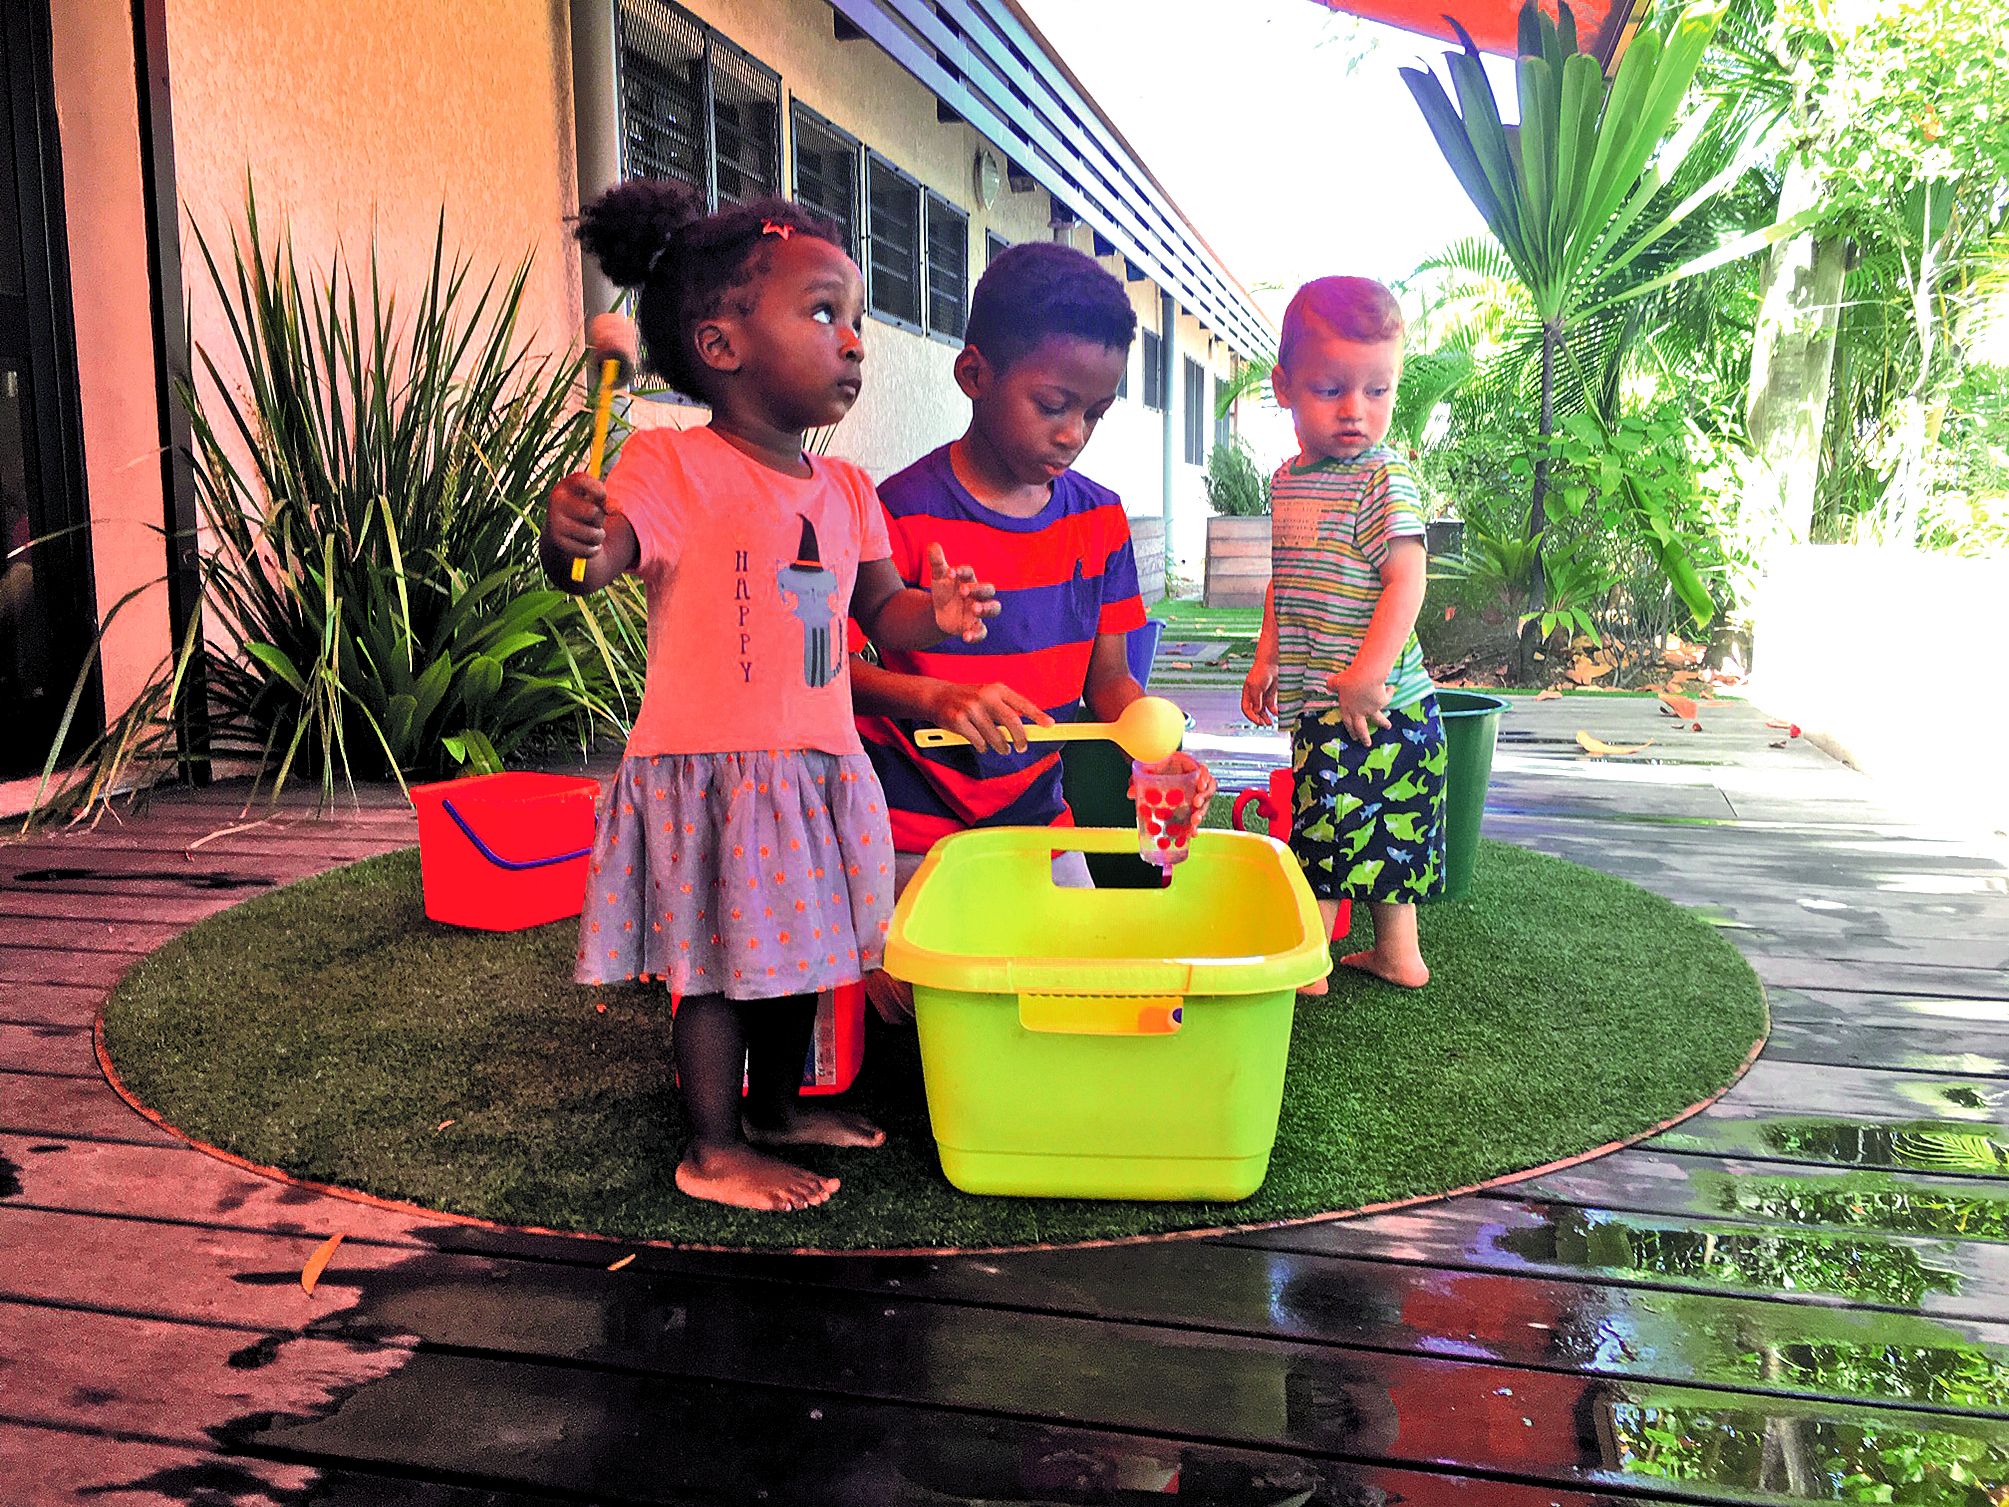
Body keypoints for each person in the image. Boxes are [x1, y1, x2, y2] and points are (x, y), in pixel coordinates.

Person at [541, 180, 999, 1212]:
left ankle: (779, 1109)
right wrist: (567, 537)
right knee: (713, 967)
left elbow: (884, 612)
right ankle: (711, 1146)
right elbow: (593, 564)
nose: (853, 342)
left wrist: (945, 611)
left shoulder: (845, 491)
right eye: (822, 313)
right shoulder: (667, 463)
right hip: (712, 768)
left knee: (799, 955)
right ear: (720, 345)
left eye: (857, 319)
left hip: (815, 766)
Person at [850, 242, 1213, 1022]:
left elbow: (1109, 681)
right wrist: (938, 696)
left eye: (1094, 412)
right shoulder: (896, 511)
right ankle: (873, 972)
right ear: (974, 375)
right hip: (909, 830)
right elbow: (835, 671)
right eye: (1053, 405)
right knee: (946, 1007)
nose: (1074, 432)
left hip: (1036, 825)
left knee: (1083, 999)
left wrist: (1156, 746)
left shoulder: (1100, 519)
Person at [1241, 276, 1444, 990]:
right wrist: (1266, 656)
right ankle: (1396, 955)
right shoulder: (1288, 480)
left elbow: (1407, 580)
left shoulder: (1382, 479)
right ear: (1285, 386)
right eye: (1330, 389)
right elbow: (1284, 574)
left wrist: (1366, 674)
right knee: (1353, 822)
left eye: (1377, 390)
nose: (1356, 411)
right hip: (1322, 697)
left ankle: (1309, 962)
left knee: (1329, 826)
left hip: (1379, 701)